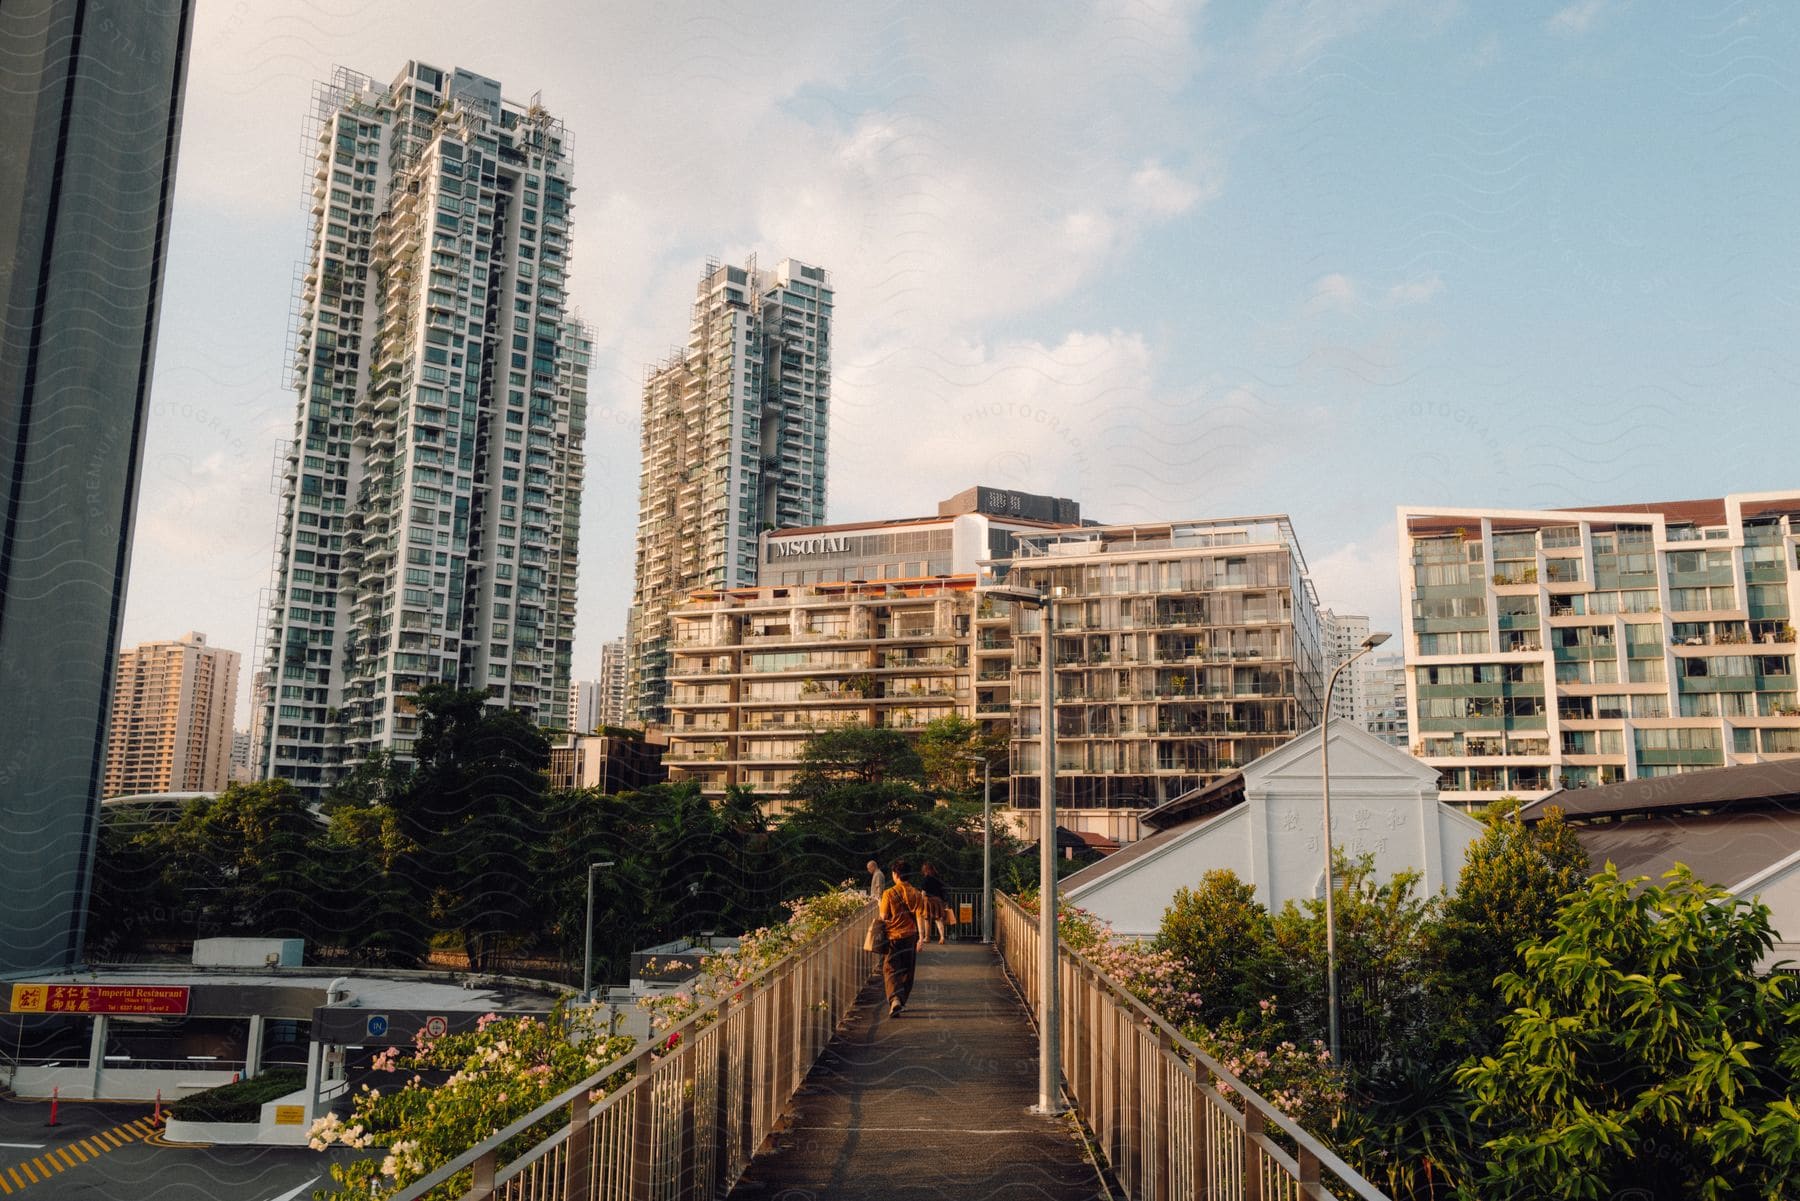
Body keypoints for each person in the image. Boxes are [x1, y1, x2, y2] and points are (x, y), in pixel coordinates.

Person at [878, 859, 930, 1017]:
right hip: (911, 936)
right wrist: (921, 938)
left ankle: (895, 999)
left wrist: (880, 904)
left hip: (893, 937)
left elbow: (883, 916)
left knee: (891, 969)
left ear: (895, 874)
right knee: (908, 971)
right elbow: (920, 916)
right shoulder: (916, 893)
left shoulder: (889, 893)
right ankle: (901, 1000)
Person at [917, 861, 950, 944]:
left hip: (928, 901)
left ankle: (927, 938)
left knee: (927, 919)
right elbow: (943, 890)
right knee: (938, 919)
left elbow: (923, 892)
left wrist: (920, 901)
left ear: (925, 870)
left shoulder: (926, 879)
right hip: (938, 900)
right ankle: (942, 937)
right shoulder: (937, 878)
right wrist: (945, 901)